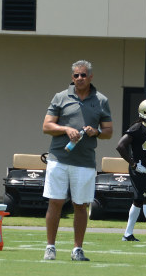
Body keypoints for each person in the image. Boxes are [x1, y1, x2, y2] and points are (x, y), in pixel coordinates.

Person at [41, 60, 113, 262]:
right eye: (76, 75)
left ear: (90, 77)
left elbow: (108, 131)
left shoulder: (101, 100)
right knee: (55, 202)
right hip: (59, 158)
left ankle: (77, 249)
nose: (79, 78)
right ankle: (50, 247)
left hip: (84, 161)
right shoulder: (61, 97)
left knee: (80, 205)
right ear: (72, 77)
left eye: (83, 75)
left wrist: (96, 131)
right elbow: (47, 126)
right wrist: (66, 129)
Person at [117, 98, 146, 243]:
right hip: (139, 168)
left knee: (138, 201)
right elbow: (120, 146)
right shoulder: (137, 128)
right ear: (145, 111)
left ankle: (127, 234)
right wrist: (133, 164)